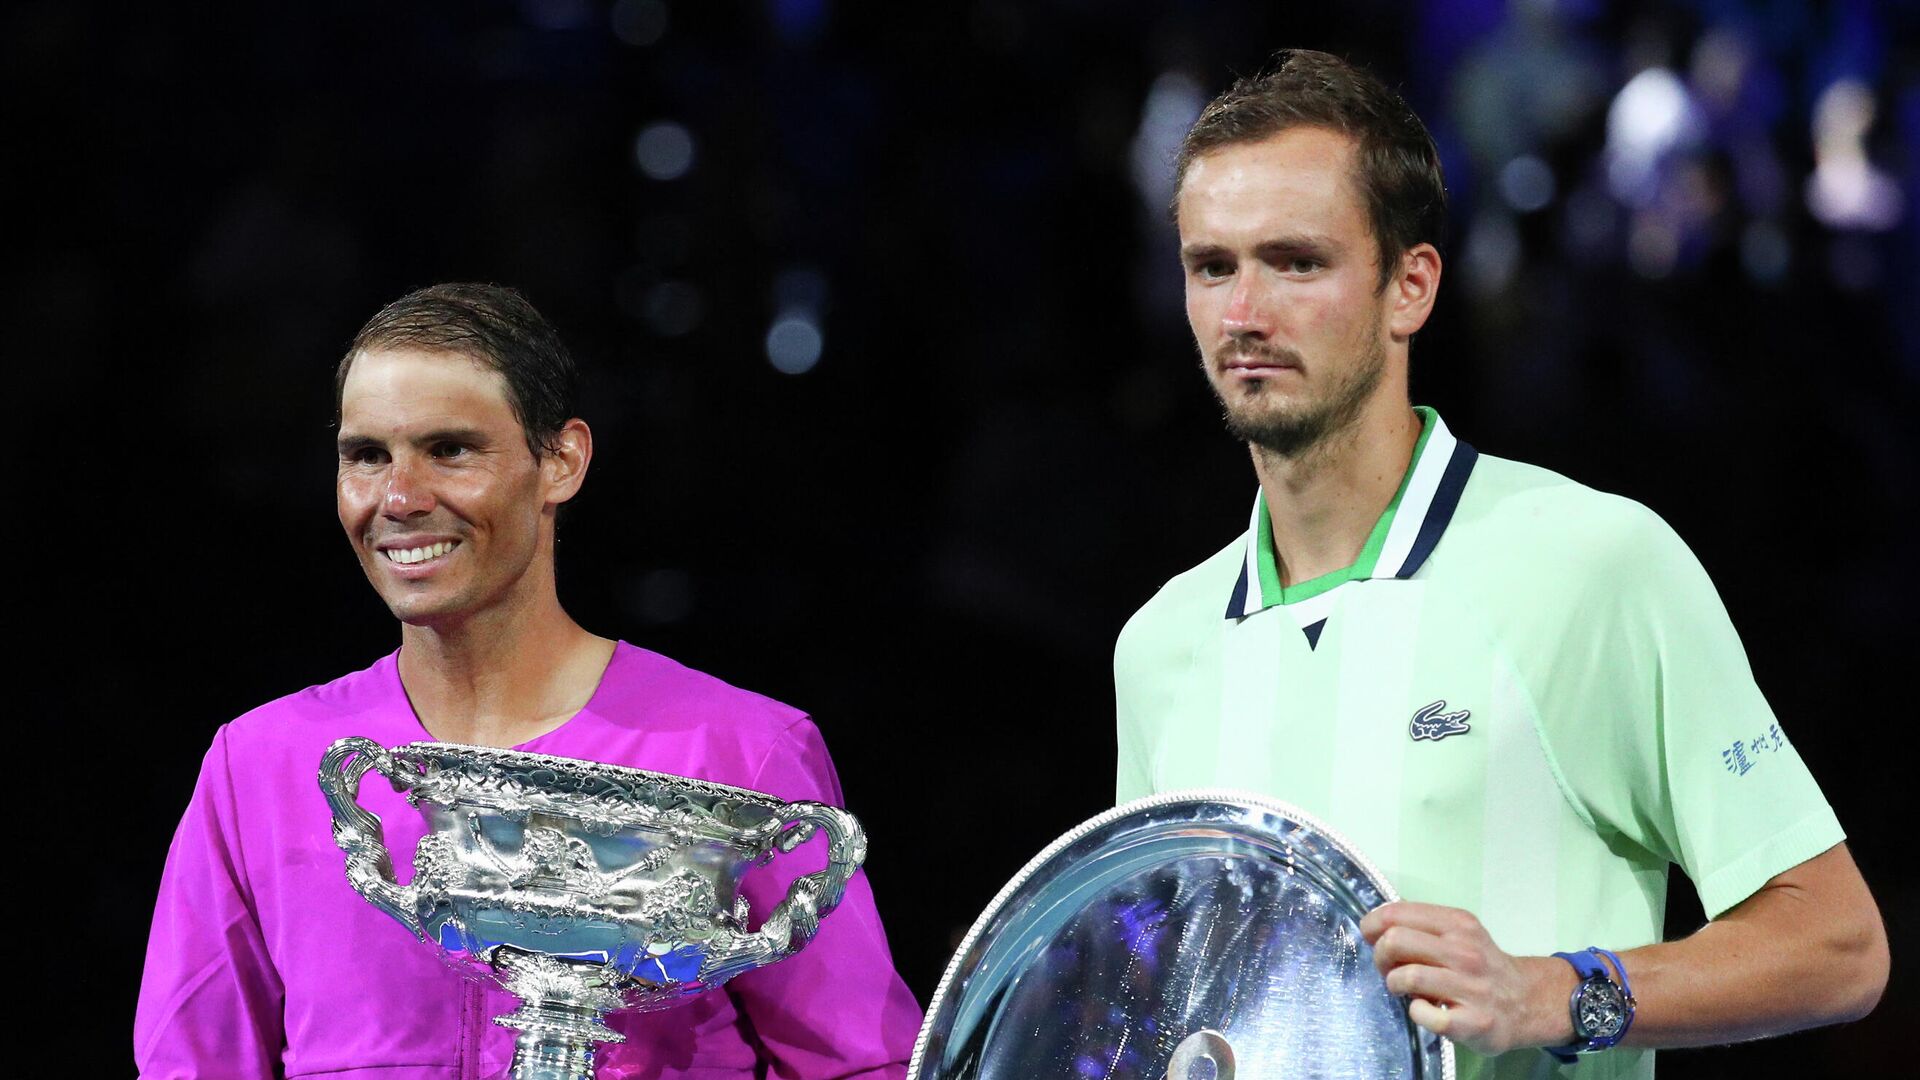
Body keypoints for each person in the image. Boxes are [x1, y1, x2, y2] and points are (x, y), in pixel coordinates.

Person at [1112, 50, 1886, 1079]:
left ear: (1411, 286)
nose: (1245, 313)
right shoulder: (1160, 646)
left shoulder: (1597, 564)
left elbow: (1838, 947)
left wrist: (1551, 993)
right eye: (1214, 266)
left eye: (1298, 262)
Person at [136, 283, 923, 1078]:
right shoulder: (262, 764)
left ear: (562, 461)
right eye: (366, 455)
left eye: (451, 450)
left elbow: (858, 1066)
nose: (400, 498)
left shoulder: (738, 748)